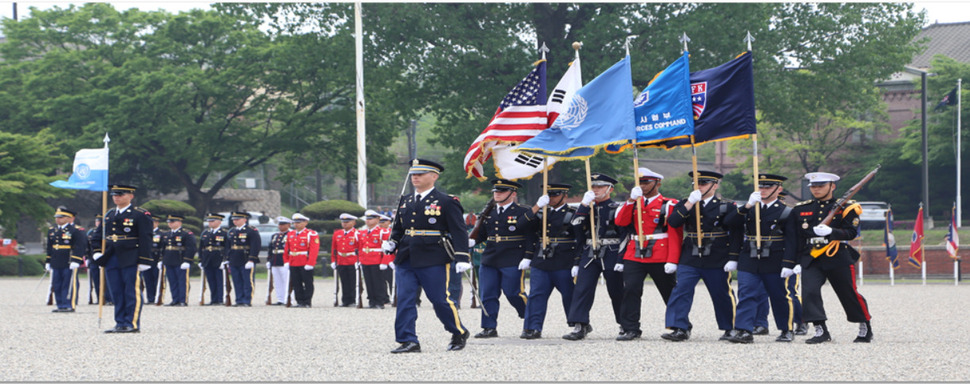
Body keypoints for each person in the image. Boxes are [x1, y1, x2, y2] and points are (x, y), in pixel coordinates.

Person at [383, 158, 470, 353]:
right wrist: (392, 243)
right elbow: (398, 228)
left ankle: (458, 331)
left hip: (433, 257)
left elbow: (459, 231)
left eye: (420, 174)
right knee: (405, 299)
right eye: (413, 174)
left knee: (439, 300)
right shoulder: (406, 200)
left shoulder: (446, 201)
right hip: (406, 256)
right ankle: (408, 340)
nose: (415, 177)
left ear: (434, 176)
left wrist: (463, 257)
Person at [785, 171, 872, 344]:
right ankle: (820, 329)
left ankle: (864, 324)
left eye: (820, 186)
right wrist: (791, 263)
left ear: (832, 186)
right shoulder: (802, 209)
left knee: (848, 293)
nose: (816, 189)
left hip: (837, 255)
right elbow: (795, 239)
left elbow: (851, 233)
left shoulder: (846, 207)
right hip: (811, 257)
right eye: (813, 186)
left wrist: (833, 231)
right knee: (809, 292)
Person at [662, 171, 741, 342]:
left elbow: (736, 233)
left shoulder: (726, 206)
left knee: (722, 293)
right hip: (690, 255)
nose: (699, 186)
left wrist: (733, 257)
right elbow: (674, 222)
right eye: (696, 183)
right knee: (681, 290)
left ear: (715, 185)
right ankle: (679, 327)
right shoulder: (686, 204)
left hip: (717, 254)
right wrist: (690, 203)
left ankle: (731, 327)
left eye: (704, 183)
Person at [723, 173, 800, 343]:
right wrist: (748, 205)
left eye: (768, 187)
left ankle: (786, 329)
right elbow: (729, 223)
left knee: (779, 295)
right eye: (760, 186)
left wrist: (789, 263)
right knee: (746, 294)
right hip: (749, 257)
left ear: (778, 189)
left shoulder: (786, 211)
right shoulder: (750, 208)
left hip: (775, 258)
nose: (763, 190)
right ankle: (744, 330)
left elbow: (793, 239)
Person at [613, 168, 683, 341]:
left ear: (657, 183)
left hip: (660, 252)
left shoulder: (669, 204)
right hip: (635, 251)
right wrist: (630, 200)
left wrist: (673, 259)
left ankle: (680, 326)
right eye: (640, 182)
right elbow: (620, 222)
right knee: (630, 290)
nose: (642, 186)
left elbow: (676, 233)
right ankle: (630, 328)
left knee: (669, 290)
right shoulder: (634, 202)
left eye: (646, 182)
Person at [563, 173, 626, 341]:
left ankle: (625, 324)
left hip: (611, 250)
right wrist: (584, 204)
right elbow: (575, 227)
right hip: (590, 251)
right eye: (594, 186)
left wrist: (621, 258)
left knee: (617, 290)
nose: (596, 190)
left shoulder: (616, 207)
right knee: (582, 288)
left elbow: (625, 233)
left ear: (610, 189)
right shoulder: (586, 208)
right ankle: (580, 325)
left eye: (600, 186)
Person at [472, 179, 537, 338]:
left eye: (501, 191)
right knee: (487, 294)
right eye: (495, 191)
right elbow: (481, 234)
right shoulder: (489, 212)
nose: (497, 194)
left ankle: (530, 322)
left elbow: (530, 236)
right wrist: (471, 241)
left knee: (514, 292)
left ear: (513, 194)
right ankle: (489, 327)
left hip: (513, 257)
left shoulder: (523, 211)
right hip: (490, 258)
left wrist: (528, 256)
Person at [519, 183, 581, 339]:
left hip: (564, 259)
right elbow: (521, 225)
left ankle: (578, 325)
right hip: (542, 260)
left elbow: (580, 239)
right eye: (549, 195)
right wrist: (536, 206)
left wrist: (577, 262)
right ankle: (532, 328)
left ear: (564, 195)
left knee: (569, 294)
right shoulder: (540, 213)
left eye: (555, 195)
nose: (551, 198)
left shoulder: (573, 213)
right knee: (536, 295)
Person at [90, 184, 153, 333]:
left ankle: (131, 322)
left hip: (131, 257)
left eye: (121, 194)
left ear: (130, 196)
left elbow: (146, 238)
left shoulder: (140, 215)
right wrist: (97, 252)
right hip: (111, 257)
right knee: (116, 291)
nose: (116, 197)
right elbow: (97, 236)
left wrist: (144, 259)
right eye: (114, 195)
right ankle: (120, 322)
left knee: (131, 291)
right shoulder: (110, 214)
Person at [46, 207, 88, 312]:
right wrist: (48, 261)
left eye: (61, 217)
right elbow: (49, 247)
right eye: (57, 217)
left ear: (68, 218)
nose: (58, 219)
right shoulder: (52, 230)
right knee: (57, 283)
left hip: (68, 260)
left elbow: (79, 246)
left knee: (68, 283)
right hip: (56, 260)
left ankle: (69, 304)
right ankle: (60, 304)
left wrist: (76, 260)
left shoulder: (75, 230)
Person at [226, 211, 261, 307]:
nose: (235, 221)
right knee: (236, 281)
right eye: (234, 219)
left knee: (247, 281)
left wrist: (252, 259)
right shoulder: (232, 231)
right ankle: (239, 299)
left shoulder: (251, 230)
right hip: (234, 258)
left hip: (245, 258)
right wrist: (227, 258)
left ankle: (247, 300)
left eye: (237, 219)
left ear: (245, 220)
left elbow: (255, 246)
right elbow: (229, 246)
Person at [161, 214, 196, 306]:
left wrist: (187, 260)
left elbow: (191, 248)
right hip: (169, 260)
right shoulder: (167, 234)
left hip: (180, 260)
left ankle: (183, 300)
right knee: (172, 281)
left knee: (182, 281)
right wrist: (162, 259)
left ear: (179, 222)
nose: (170, 224)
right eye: (169, 222)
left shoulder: (186, 233)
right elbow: (163, 248)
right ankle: (175, 299)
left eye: (172, 222)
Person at [284, 213, 319, 308]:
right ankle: (299, 301)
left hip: (305, 261)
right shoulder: (290, 234)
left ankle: (307, 301)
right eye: (295, 223)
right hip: (294, 261)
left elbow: (314, 250)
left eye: (299, 222)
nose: (296, 224)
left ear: (305, 223)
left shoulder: (311, 234)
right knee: (296, 282)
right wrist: (286, 261)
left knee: (307, 282)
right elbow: (287, 249)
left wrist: (310, 263)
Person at [359, 210, 390, 308]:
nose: (368, 221)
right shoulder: (363, 232)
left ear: (377, 219)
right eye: (367, 219)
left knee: (378, 282)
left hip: (377, 260)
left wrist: (385, 262)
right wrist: (360, 260)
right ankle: (371, 301)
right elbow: (360, 248)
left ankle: (380, 301)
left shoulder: (382, 232)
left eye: (370, 219)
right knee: (368, 281)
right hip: (366, 259)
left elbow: (387, 248)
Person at [198, 213, 229, 305]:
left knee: (220, 280)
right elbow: (201, 248)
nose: (210, 223)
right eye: (209, 221)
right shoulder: (205, 233)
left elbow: (227, 247)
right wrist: (200, 260)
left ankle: (220, 299)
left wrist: (225, 260)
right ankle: (213, 299)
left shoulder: (224, 233)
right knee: (211, 280)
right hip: (208, 259)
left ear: (219, 222)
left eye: (212, 221)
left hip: (218, 258)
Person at [331, 213, 360, 307]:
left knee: (353, 282)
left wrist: (359, 261)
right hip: (341, 260)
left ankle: (353, 300)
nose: (345, 224)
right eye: (343, 222)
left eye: (347, 222)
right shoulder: (337, 233)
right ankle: (345, 300)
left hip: (352, 260)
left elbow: (359, 248)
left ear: (354, 222)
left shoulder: (357, 233)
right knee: (344, 281)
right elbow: (334, 249)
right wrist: (333, 260)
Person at [87, 214, 113, 305]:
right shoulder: (91, 232)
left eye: (100, 221)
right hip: (94, 259)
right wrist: (87, 257)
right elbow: (88, 246)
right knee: (96, 281)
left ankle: (109, 299)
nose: (98, 223)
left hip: (105, 258)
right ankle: (100, 298)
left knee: (108, 280)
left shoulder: (108, 231)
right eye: (97, 221)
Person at [266, 216, 292, 305]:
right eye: (279, 224)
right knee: (277, 282)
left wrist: (288, 261)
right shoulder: (275, 235)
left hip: (284, 261)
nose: (280, 226)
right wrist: (269, 260)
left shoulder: (291, 234)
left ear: (288, 225)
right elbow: (270, 249)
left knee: (286, 281)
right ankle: (280, 299)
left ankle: (288, 299)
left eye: (283, 224)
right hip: (275, 260)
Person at [143, 215, 163, 304]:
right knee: (148, 280)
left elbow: (163, 247)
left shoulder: (161, 234)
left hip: (156, 258)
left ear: (157, 223)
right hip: (147, 258)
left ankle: (157, 297)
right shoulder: (145, 233)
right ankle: (150, 298)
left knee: (157, 279)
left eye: (154, 222)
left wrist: (161, 259)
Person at [378, 214, 395, 304]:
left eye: (383, 222)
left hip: (390, 260)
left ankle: (395, 297)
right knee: (381, 280)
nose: (381, 224)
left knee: (392, 280)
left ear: (389, 222)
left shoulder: (391, 232)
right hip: (379, 260)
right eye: (380, 222)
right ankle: (384, 297)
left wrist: (389, 260)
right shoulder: (378, 232)